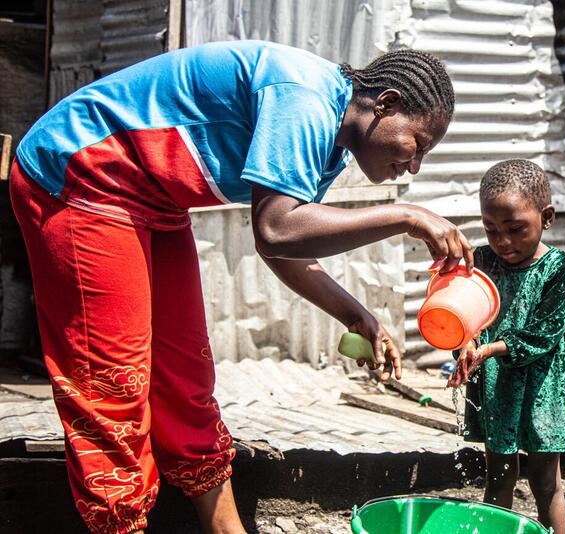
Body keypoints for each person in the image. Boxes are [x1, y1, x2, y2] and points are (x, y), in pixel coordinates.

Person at [10, 40, 472, 534]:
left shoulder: (330, 144)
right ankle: (119, 524)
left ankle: (227, 529)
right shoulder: (303, 96)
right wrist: (406, 215)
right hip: (81, 174)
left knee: (187, 376)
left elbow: (282, 243)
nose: (415, 164)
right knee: (114, 381)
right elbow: (276, 228)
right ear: (386, 104)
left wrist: (353, 313)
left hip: (154, 201)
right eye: (418, 144)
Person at [448, 159, 565, 534]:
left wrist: (488, 350)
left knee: (545, 482)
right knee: (499, 478)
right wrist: (468, 342)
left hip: (542, 389)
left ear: (547, 217)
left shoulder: (557, 268)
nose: (503, 241)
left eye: (515, 229)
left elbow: (545, 333)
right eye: (491, 230)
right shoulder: (483, 261)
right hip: (498, 388)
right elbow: (464, 312)